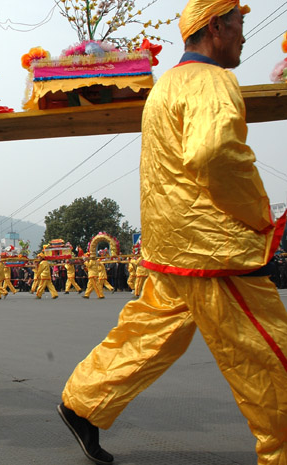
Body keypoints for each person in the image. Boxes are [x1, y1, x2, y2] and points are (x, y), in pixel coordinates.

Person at [57, 2, 287, 464]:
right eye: (240, 25)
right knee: (267, 356)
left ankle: (82, 402)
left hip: (173, 241)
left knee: (152, 332)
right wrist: (259, 215)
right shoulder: (212, 80)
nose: (244, 36)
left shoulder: (165, 86)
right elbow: (215, 155)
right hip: (213, 246)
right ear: (216, 26)